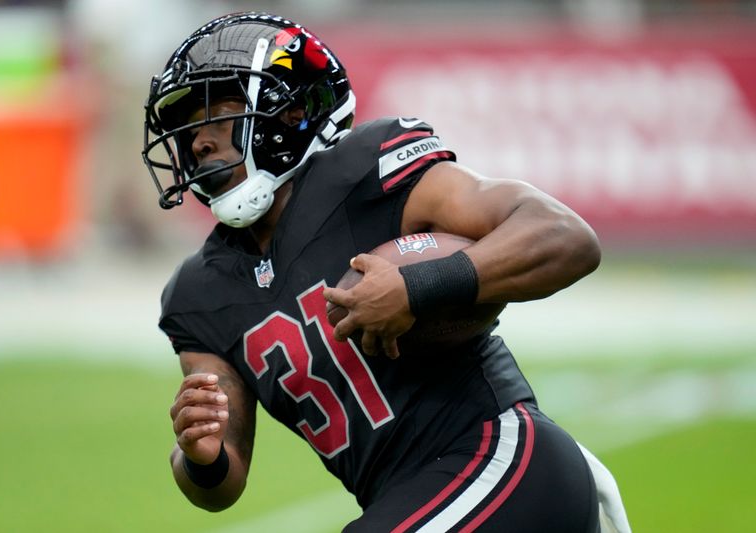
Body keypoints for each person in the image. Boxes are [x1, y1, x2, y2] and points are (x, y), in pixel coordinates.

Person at [142, 12, 630, 532]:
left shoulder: (366, 171)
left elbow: (565, 235)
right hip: (418, 499)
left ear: (288, 113)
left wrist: (416, 288)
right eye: (185, 124)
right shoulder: (197, 296)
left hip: (502, 457)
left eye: (216, 112)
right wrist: (200, 455)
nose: (195, 143)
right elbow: (222, 484)